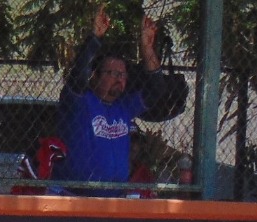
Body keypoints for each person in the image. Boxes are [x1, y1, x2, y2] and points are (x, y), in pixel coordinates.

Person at [55, 5, 176, 196]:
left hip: (114, 198)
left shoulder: (124, 107)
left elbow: (156, 89)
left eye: (123, 74)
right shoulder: (80, 102)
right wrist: (95, 37)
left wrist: (147, 48)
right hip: (76, 197)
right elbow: (77, 77)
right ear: (95, 76)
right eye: (112, 73)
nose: (119, 78)